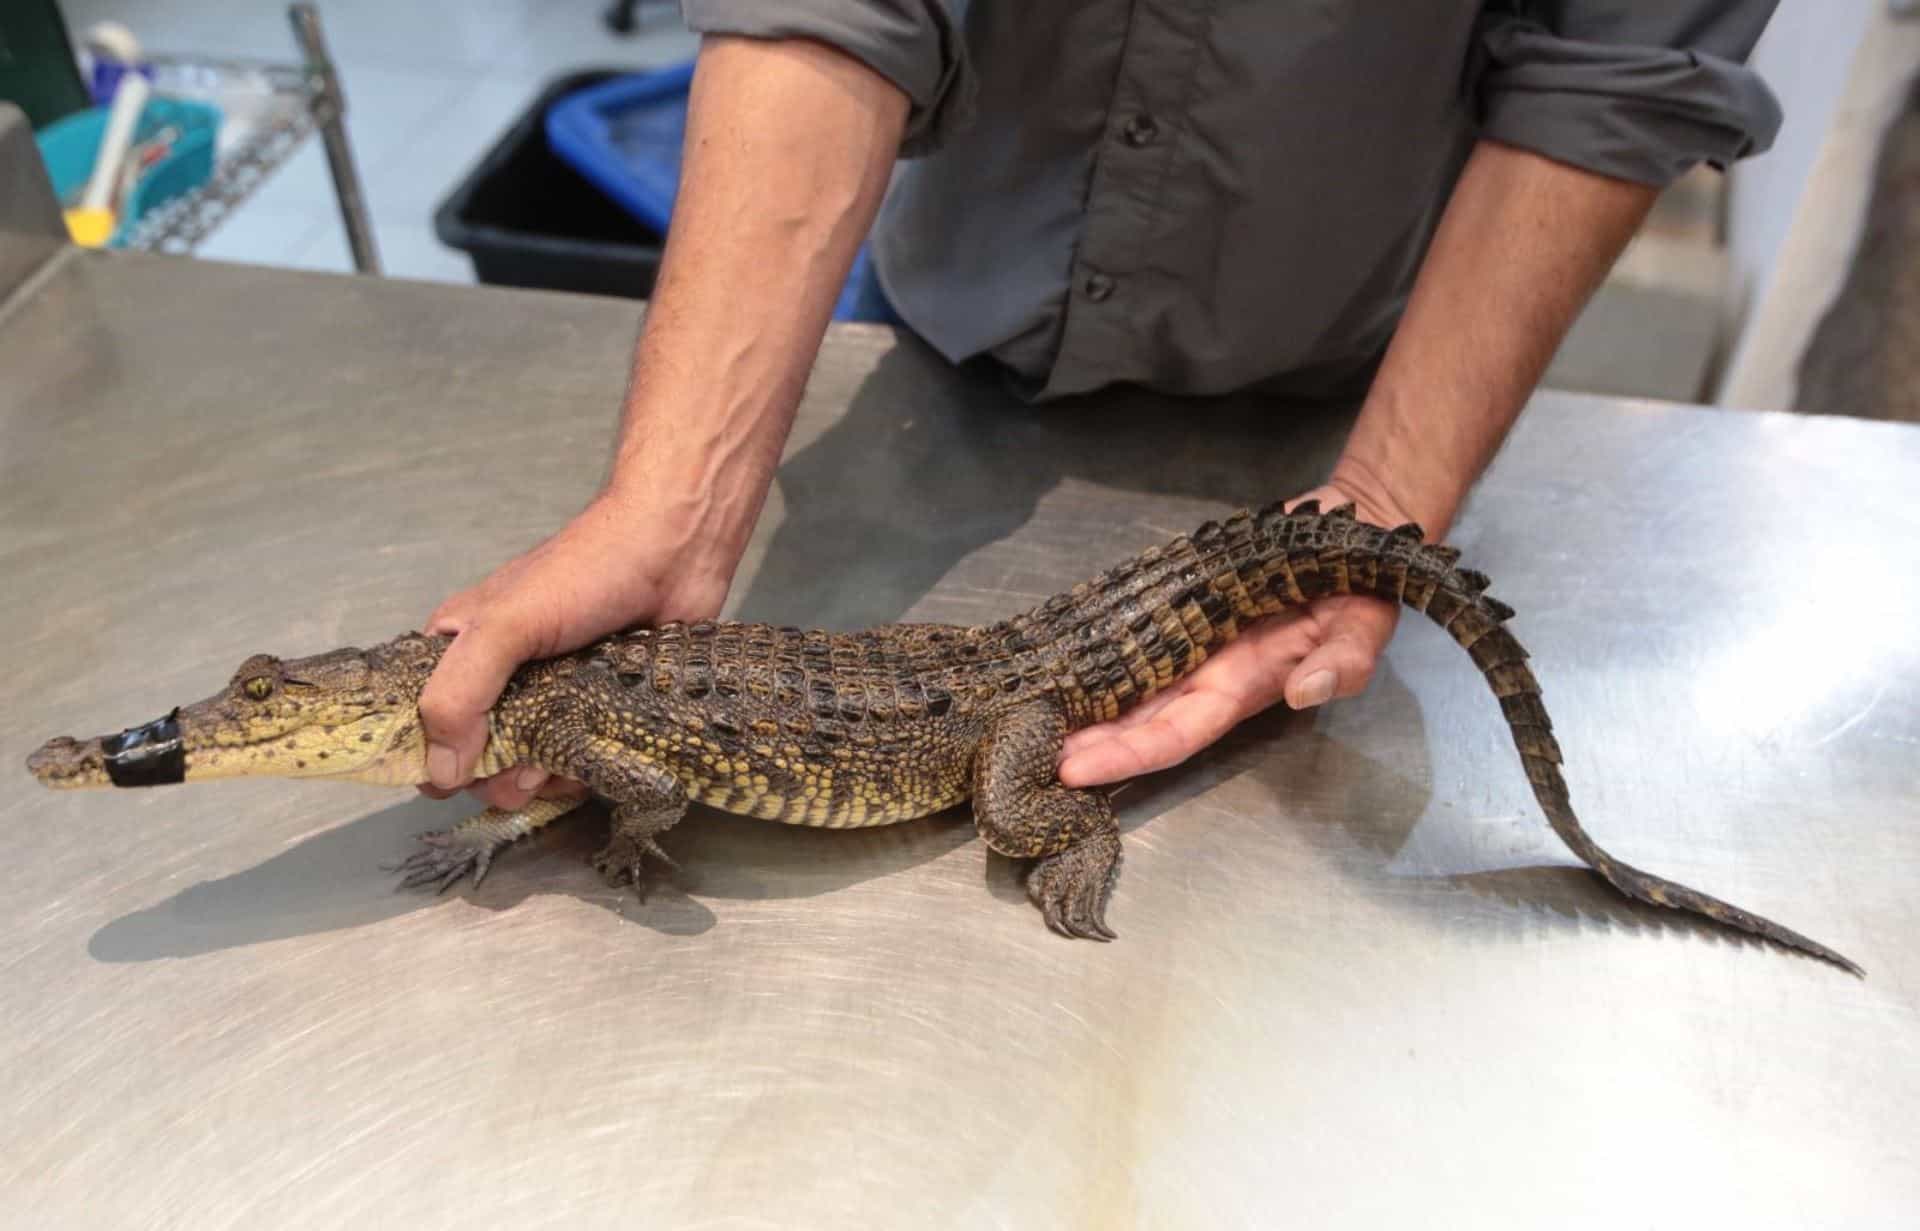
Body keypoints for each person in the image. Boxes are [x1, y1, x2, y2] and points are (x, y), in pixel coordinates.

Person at [417, 2, 1782, 811]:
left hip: (1352, 365)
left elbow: (1620, 60)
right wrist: (673, 499)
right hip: (953, 318)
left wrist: (1388, 493)